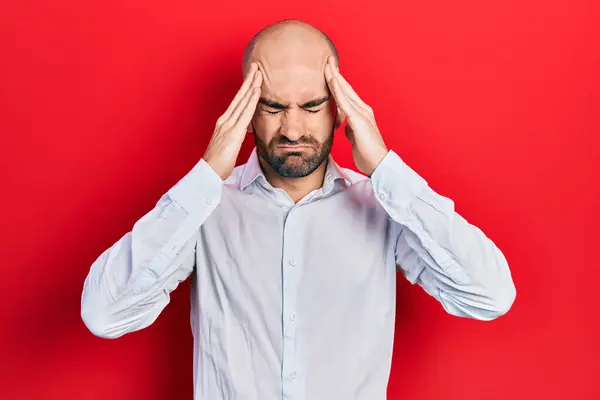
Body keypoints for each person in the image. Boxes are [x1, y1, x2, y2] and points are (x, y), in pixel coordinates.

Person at [81, 19, 516, 400]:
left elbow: (490, 295)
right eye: (272, 106)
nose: (292, 129)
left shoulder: (383, 205)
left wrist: (386, 169)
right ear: (247, 111)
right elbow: (105, 314)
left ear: (338, 109)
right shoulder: (204, 208)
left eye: (311, 106)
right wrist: (207, 175)